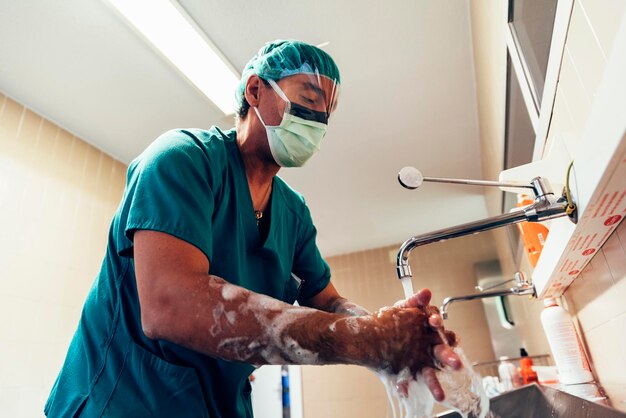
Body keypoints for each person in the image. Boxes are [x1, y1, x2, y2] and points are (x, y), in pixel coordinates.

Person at [45, 40, 460, 417]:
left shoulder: (292, 213)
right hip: (123, 402)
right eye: (307, 99)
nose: (317, 121)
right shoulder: (181, 161)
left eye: (326, 113)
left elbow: (328, 300)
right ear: (255, 91)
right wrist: (362, 340)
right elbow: (169, 304)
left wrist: (383, 329)